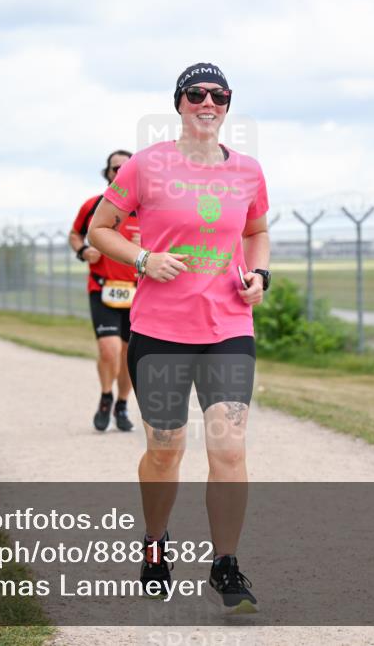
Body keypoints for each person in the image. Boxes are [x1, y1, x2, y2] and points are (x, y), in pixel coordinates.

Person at [89, 62, 271, 614]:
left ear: (228, 103)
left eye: (219, 94)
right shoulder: (146, 166)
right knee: (166, 449)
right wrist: (144, 258)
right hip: (160, 330)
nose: (208, 102)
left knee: (228, 447)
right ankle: (155, 541)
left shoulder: (248, 171)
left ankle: (225, 565)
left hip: (229, 327)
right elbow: (101, 229)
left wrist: (259, 276)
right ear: (179, 102)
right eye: (196, 94)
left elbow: (257, 232)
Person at [69, 149, 139, 432]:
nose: (119, 173)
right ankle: (105, 396)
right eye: (114, 169)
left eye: (126, 168)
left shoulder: (148, 209)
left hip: (138, 293)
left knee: (128, 356)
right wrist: (83, 250)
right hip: (103, 289)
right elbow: (75, 235)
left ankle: (122, 404)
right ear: (107, 174)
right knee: (109, 350)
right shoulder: (93, 206)